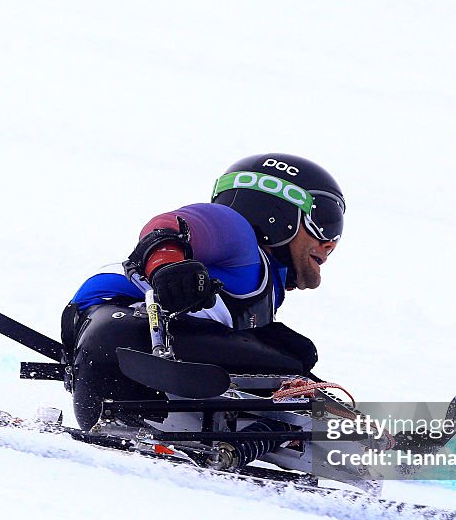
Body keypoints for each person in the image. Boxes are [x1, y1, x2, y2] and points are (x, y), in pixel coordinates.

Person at [61, 153, 346, 431]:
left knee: (286, 350)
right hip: (121, 333)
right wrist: (167, 267)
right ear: (278, 214)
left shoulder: (258, 280)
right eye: (325, 221)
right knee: (294, 356)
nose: (330, 242)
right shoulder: (235, 232)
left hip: (105, 354)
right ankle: (345, 436)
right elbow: (168, 227)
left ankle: (285, 427)